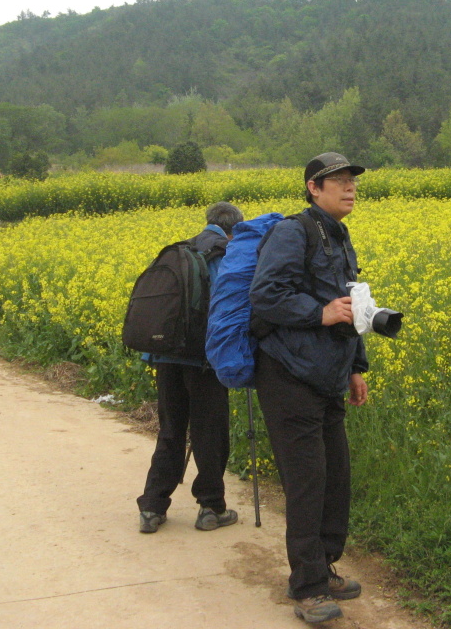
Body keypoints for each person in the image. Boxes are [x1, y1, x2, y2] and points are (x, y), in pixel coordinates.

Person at [249, 152, 370, 624]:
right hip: (287, 375)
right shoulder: (291, 233)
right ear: (312, 188)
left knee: (335, 478)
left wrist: (356, 367)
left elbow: (352, 306)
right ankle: (308, 587)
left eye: (351, 180)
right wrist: (317, 313)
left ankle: (324, 565)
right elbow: (266, 293)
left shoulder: (339, 238)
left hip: (328, 376)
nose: (349, 187)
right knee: (307, 482)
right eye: (336, 180)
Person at [137, 201, 245, 534]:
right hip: (204, 361)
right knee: (208, 432)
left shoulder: (180, 250)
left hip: (165, 355)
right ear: (234, 229)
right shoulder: (226, 255)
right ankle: (211, 507)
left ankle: (153, 508)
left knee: (170, 430)